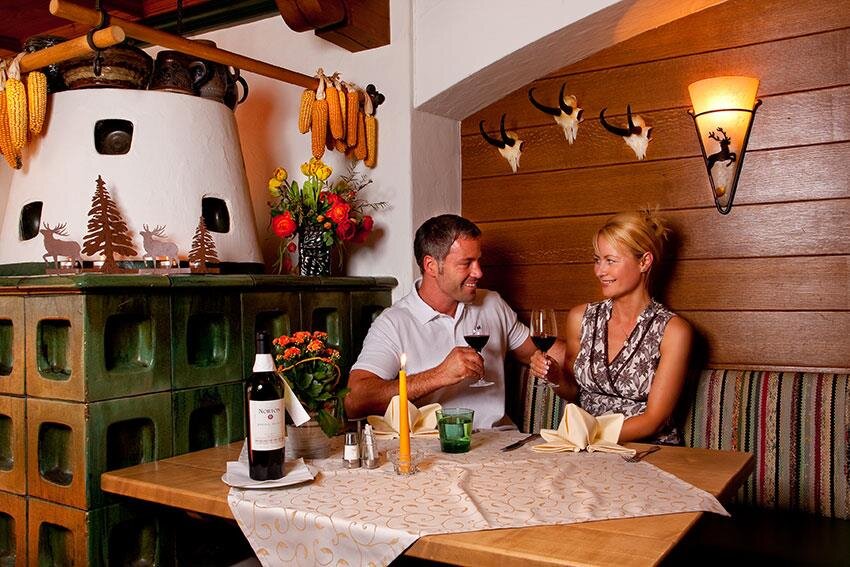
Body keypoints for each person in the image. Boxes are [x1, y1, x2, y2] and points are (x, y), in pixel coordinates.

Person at [345, 214, 537, 429]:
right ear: (431, 266)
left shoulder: (491, 303)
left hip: (502, 442)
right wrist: (439, 375)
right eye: (466, 263)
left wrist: (561, 363)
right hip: (435, 446)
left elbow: (541, 354)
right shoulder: (393, 323)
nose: (479, 272)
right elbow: (354, 402)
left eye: (478, 261)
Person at [530, 209, 692, 444]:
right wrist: (555, 377)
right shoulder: (581, 318)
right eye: (597, 260)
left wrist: (590, 436)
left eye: (610, 261)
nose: (599, 271)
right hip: (585, 448)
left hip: (648, 450)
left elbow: (654, 420)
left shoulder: (673, 331)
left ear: (644, 262)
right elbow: (573, 391)